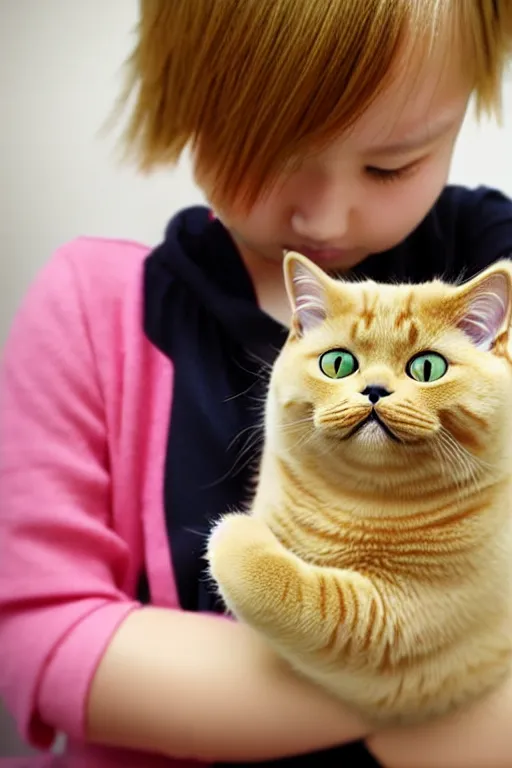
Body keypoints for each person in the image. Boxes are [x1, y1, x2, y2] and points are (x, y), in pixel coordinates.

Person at [1, 1, 512, 766]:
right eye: (272, 154)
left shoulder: (493, 274)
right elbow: (45, 640)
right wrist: (424, 677)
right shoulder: (94, 306)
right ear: (183, 102)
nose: (326, 217)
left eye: (391, 165)